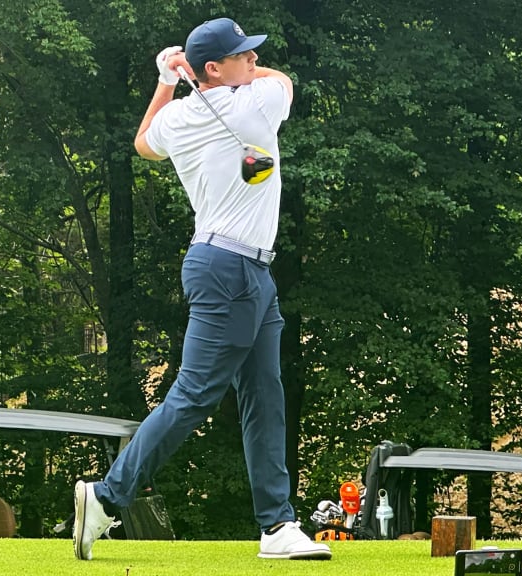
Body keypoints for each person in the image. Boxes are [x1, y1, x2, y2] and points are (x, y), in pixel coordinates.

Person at [71, 17, 331, 562]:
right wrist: (217, 78)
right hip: (230, 270)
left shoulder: (185, 113)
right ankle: (105, 496)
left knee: (265, 395)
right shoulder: (253, 104)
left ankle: (277, 526)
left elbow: (144, 143)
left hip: (246, 270)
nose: (255, 62)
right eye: (243, 56)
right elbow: (284, 81)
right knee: (194, 396)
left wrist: (168, 79)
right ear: (214, 69)